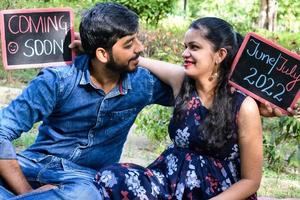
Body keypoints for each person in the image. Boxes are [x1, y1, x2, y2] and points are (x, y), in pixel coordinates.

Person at [0, 3, 173, 200]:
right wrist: (26, 191)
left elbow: (192, 82)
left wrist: (139, 60)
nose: (140, 48)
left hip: (84, 182)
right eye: (129, 44)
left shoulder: (143, 83)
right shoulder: (57, 79)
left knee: (87, 195)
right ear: (102, 54)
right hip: (34, 164)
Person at [94, 17, 263, 199]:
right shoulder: (182, 81)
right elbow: (141, 61)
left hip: (217, 193)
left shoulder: (244, 106)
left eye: (194, 47)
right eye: (185, 47)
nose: (185, 53)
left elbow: (251, 181)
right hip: (169, 182)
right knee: (112, 177)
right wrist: (94, 46)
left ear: (220, 55)